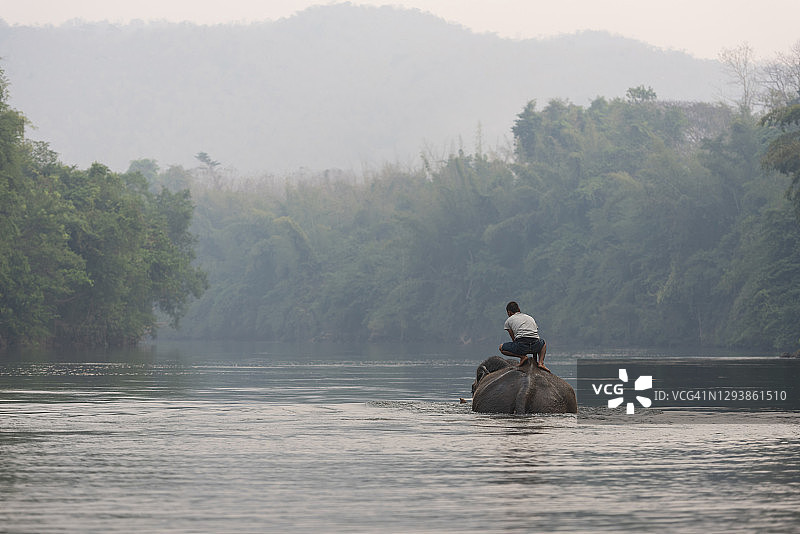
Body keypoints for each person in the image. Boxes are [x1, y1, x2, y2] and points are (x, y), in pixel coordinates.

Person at [499, 301, 549, 372]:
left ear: (509, 312)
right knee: (543, 343)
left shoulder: (508, 321)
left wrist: (521, 353)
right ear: (519, 309)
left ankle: (523, 357)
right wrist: (535, 360)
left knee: (501, 348)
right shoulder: (530, 318)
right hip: (535, 345)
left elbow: (514, 339)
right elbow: (534, 336)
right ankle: (541, 363)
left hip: (522, 346)